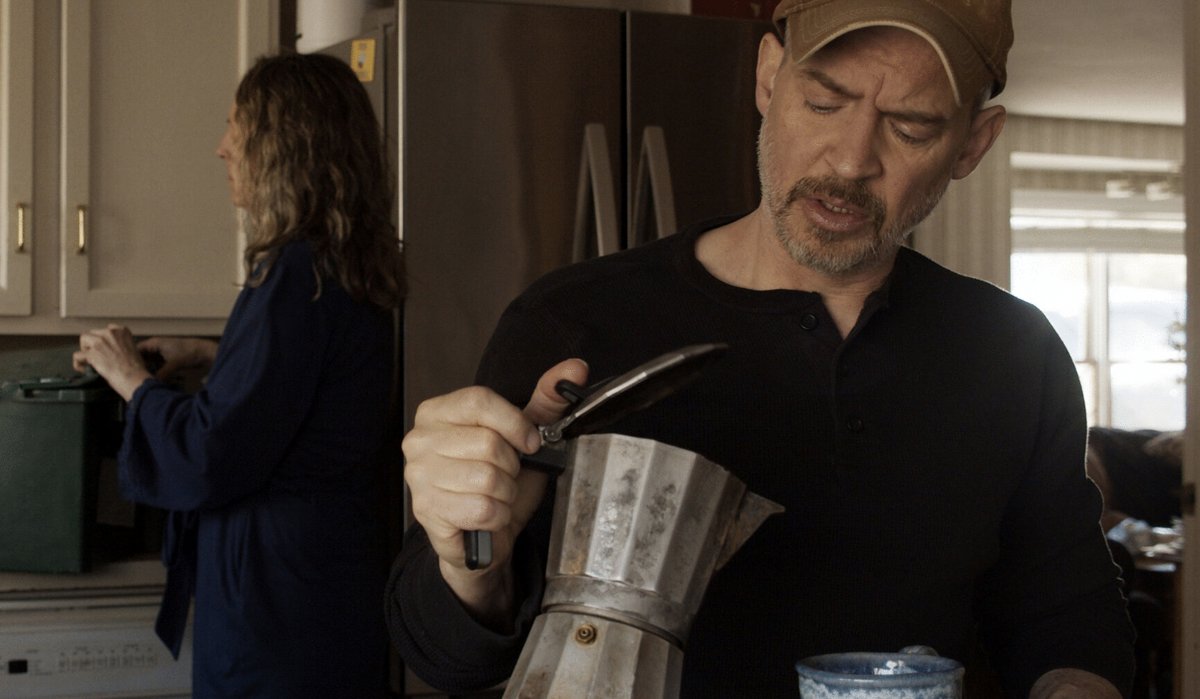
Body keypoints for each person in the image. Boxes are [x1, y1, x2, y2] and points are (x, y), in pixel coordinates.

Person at [386, 1, 1135, 697]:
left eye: (910, 127)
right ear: (769, 75)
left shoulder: (1014, 353)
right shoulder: (573, 321)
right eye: (824, 103)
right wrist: (470, 562)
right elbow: (441, 655)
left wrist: (1078, 681)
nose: (850, 160)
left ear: (973, 143)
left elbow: (1068, 614)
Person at [74, 53, 404, 698]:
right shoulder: (340, 262)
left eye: (237, 126)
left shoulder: (294, 273)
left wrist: (129, 376)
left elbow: (210, 451)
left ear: (284, 145)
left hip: (277, 603)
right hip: (324, 586)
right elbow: (304, 385)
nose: (222, 147)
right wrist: (212, 352)